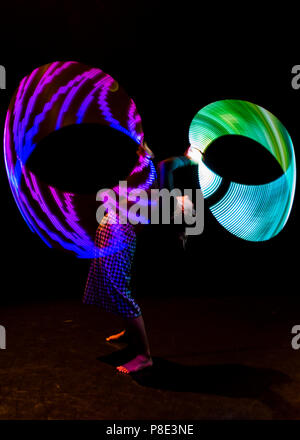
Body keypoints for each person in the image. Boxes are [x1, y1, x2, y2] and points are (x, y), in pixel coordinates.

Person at [83, 140, 156, 374]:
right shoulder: (136, 166)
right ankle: (129, 331)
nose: (138, 144)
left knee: (118, 289)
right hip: (113, 230)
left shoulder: (148, 169)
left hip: (120, 235)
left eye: (141, 141)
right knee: (110, 284)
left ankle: (144, 355)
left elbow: (142, 209)